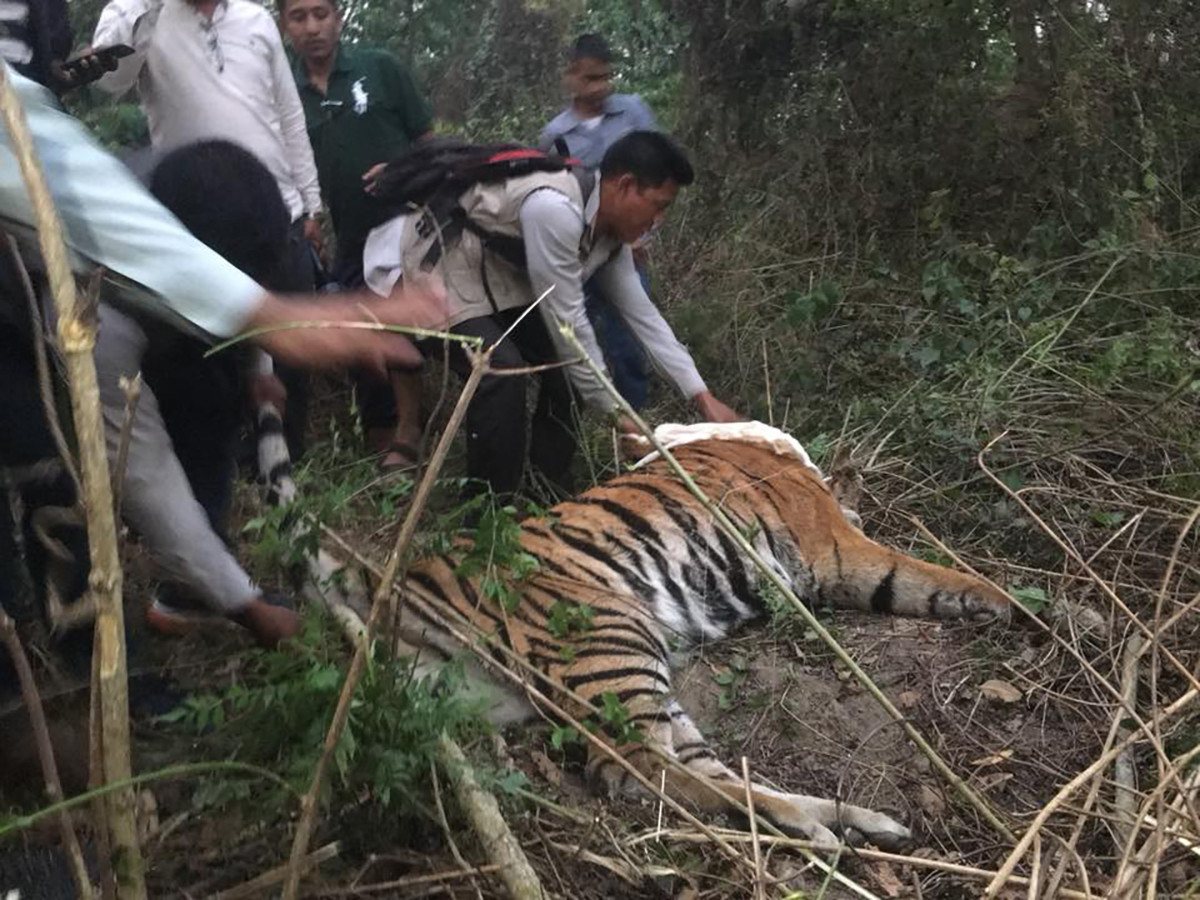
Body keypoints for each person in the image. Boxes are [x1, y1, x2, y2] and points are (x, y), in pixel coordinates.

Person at [0, 63, 446, 645]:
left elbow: (244, 291)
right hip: (31, 330)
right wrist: (249, 606)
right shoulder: (93, 313)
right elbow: (143, 475)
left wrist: (259, 366)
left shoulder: (231, 205)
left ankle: (193, 594)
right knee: (55, 483)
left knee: (213, 406)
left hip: (173, 322)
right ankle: (59, 648)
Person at [364, 130, 739, 501]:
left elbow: (645, 318)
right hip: (440, 270)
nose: (657, 221)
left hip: (496, 280)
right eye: (658, 205)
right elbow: (569, 327)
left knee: (568, 373)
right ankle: (489, 514)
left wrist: (702, 396)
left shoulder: (609, 239)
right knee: (500, 371)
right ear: (626, 186)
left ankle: (546, 491)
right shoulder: (554, 209)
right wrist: (621, 419)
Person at [92, 0, 327, 456]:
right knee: (213, 360)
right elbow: (107, 81)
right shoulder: (137, 14)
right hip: (198, 226)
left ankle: (284, 475)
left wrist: (311, 203)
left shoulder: (255, 20)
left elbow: (289, 116)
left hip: (281, 214)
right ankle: (226, 468)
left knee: (293, 347)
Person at [281, 0, 433, 469]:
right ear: (284, 26)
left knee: (400, 321)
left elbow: (432, 146)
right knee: (360, 335)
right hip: (349, 235)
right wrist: (307, 217)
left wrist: (403, 170)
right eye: (299, 16)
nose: (312, 27)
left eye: (321, 13)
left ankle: (410, 434)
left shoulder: (380, 69)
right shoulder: (283, 90)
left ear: (339, 17)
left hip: (408, 222)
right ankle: (380, 438)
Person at [540, 33, 659, 410]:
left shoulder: (633, 113)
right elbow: (550, 196)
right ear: (571, 77)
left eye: (607, 77)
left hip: (627, 250)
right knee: (578, 337)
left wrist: (642, 235)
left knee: (628, 338)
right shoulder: (555, 136)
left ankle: (637, 418)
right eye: (592, 79)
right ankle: (593, 417)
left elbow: (659, 177)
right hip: (579, 257)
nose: (601, 87)